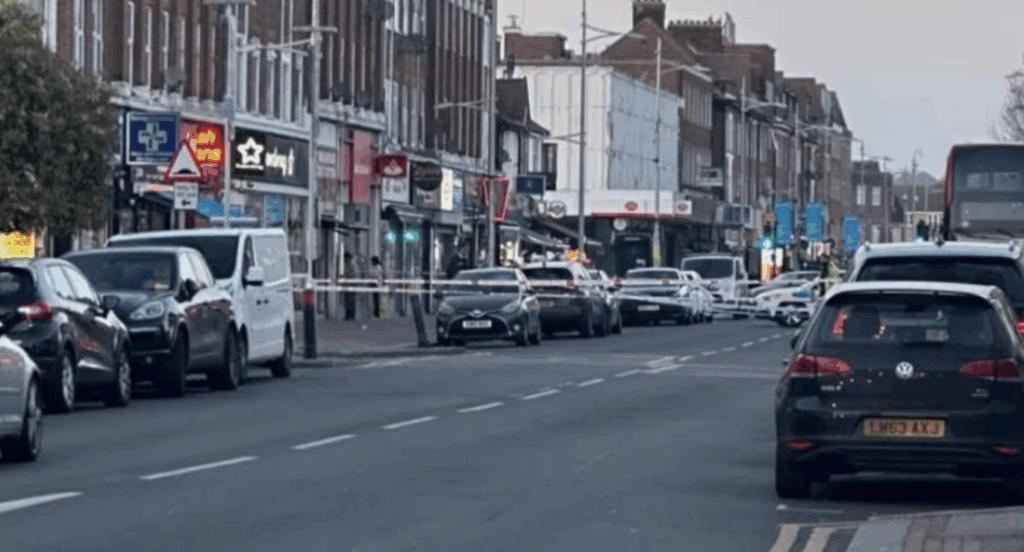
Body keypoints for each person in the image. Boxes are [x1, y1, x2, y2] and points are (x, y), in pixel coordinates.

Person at [343, 252, 357, 320]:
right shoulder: (350, 263)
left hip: (351, 284)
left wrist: (347, 274)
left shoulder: (352, 263)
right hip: (349, 283)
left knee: (350, 300)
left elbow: (354, 274)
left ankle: (350, 315)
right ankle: (349, 315)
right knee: (348, 300)